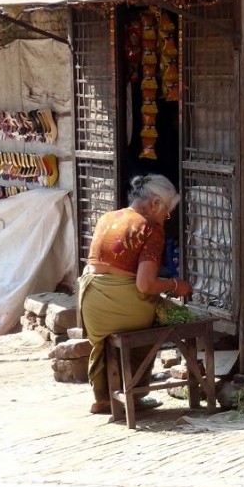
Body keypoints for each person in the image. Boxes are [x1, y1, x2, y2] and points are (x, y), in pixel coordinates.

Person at [78, 174, 191, 414]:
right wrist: (174, 284)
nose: (166, 218)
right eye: (167, 211)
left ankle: (104, 398)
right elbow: (145, 285)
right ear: (155, 204)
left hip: (90, 304)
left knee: (109, 337)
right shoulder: (149, 227)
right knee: (152, 326)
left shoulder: (108, 217)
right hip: (120, 306)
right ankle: (136, 393)